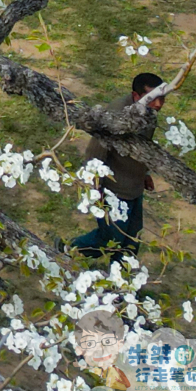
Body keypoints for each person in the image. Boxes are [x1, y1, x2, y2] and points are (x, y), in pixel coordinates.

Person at [70, 72, 166, 258]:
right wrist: (94, 189)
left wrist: (145, 173)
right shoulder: (116, 116)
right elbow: (94, 153)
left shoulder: (149, 111)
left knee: (131, 240)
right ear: (136, 96)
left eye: (162, 98)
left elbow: (145, 144)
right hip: (114, 190)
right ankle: (67, 250)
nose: (159, 104)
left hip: (134, 187)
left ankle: (122, 284)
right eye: (153, 99)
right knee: (110, 240)